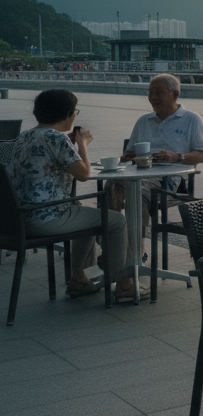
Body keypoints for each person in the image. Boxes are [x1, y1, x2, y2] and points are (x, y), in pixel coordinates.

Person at [6, 90, 135, 300]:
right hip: (45, 219)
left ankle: (78, 278)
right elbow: (84, 174)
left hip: (17, 219)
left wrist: (72, 146)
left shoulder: (24, 136)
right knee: (117, 220)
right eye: (75, 111)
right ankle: (125, 284)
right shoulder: (56, 138)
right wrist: (82, 144)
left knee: (85, 215)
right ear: (68, 113)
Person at [111, 73, 203, 258]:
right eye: (150, 93)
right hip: (138, 172)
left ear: (175, 94)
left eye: (158, 92)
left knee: (136, 191)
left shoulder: (192, 119)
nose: (152, 98)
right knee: (112, 186)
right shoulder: (143, 121)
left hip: (167, 179)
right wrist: (129, 156)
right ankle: (113, 242)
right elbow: (129, 153)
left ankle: (134, 250)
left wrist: (175, 156)